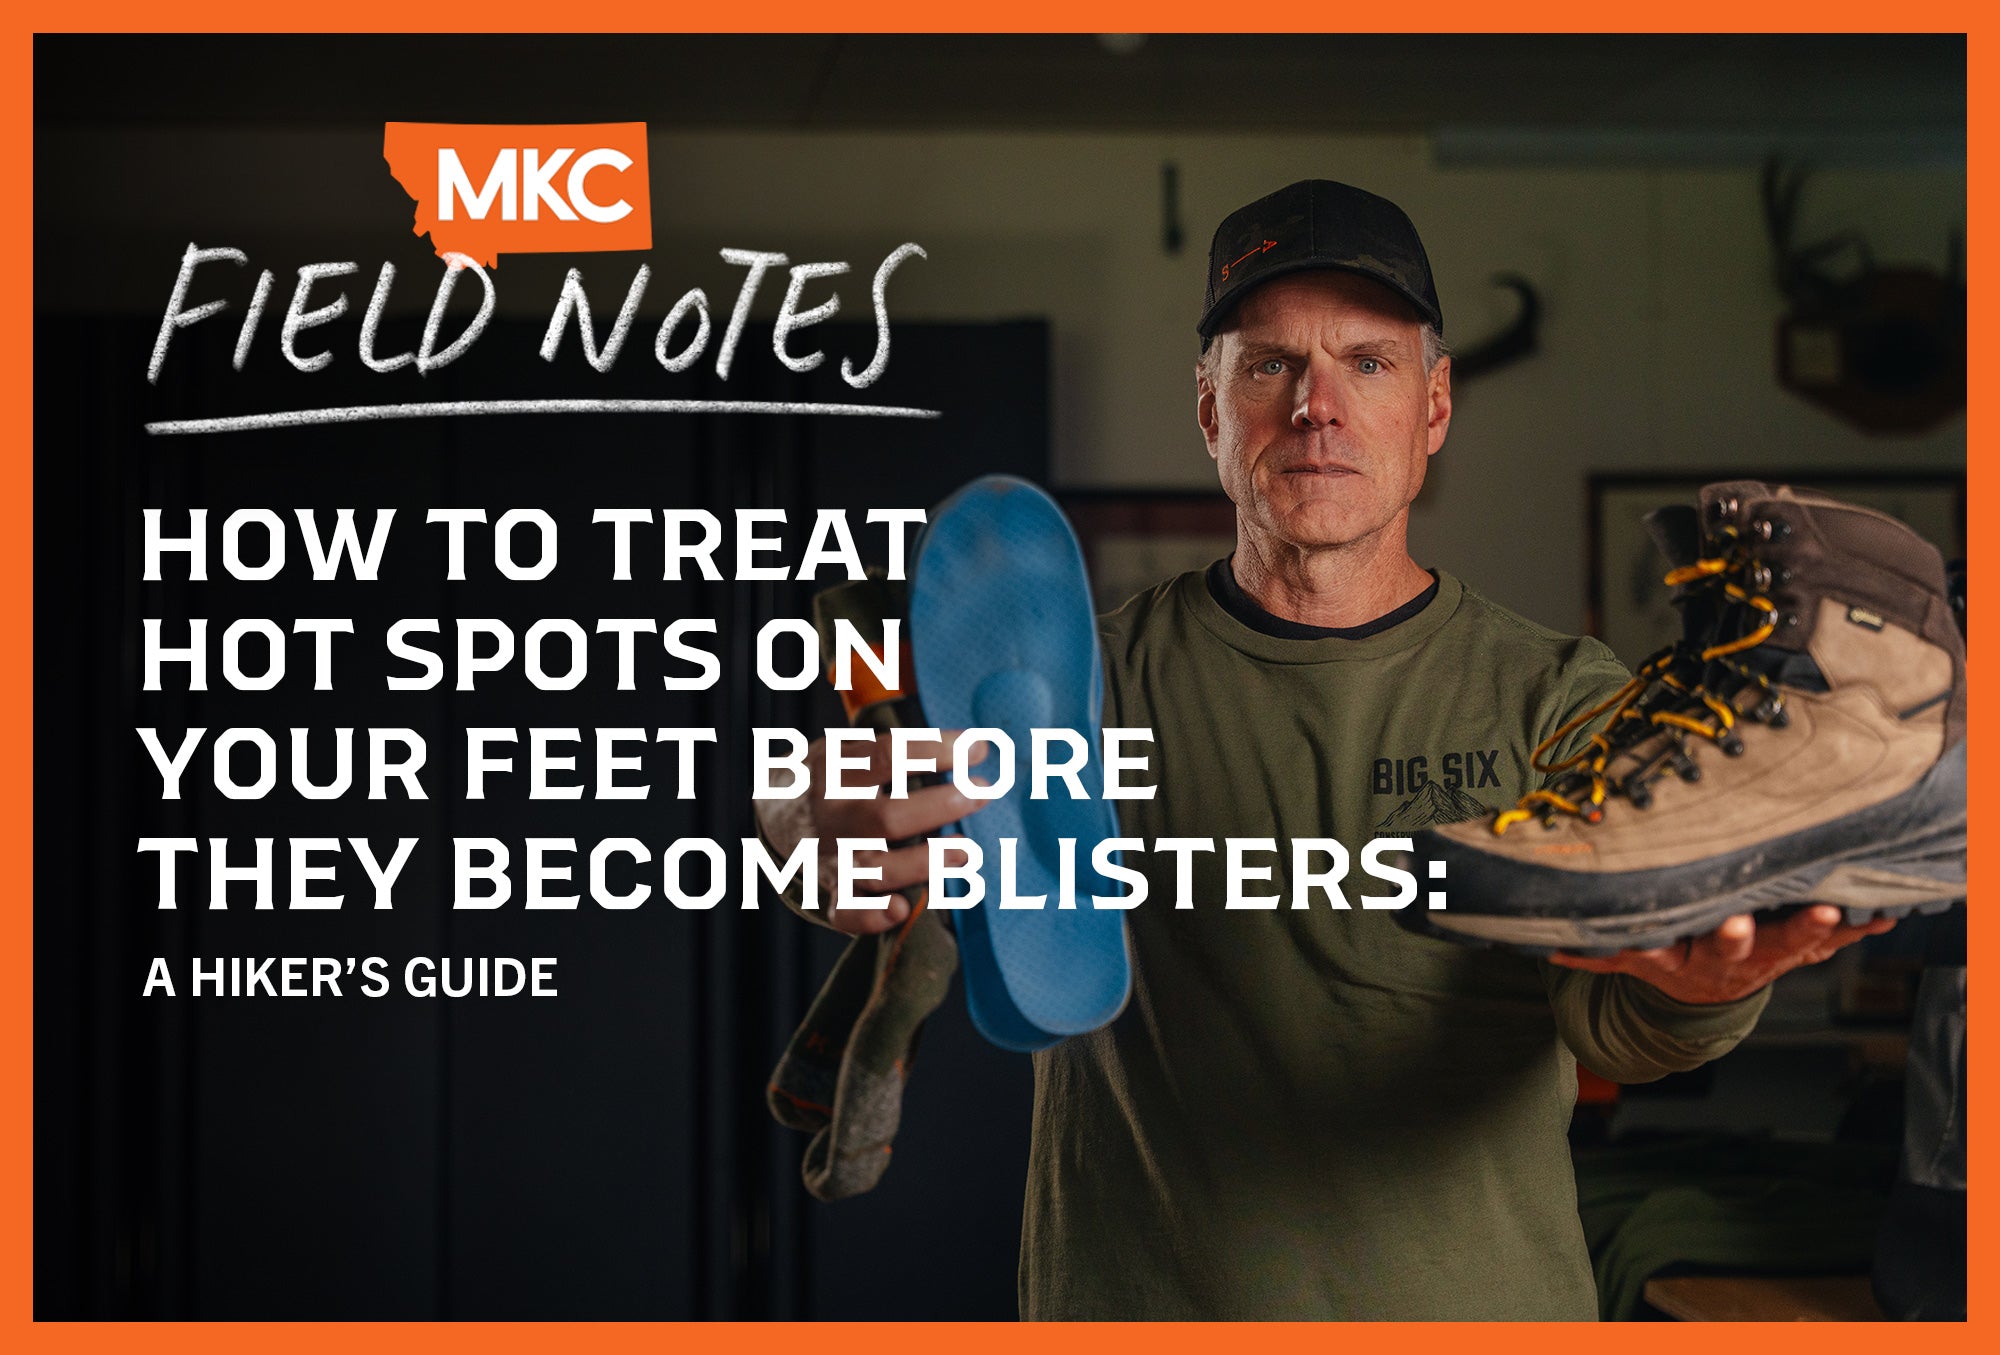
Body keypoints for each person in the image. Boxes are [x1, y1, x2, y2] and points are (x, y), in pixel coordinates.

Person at [754, 180, 1893, 1320]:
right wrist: (802, 824)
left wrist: (1706, 982)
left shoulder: (1562, 701)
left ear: (1433, 407)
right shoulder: (1074, 692)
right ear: (1207, 409)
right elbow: (875, 830)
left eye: (1367, 361)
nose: (1316, 406)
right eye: (1267, 365)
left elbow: (1626, 1025)